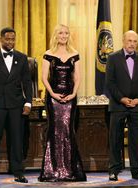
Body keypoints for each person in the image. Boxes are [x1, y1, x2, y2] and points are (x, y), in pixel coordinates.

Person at [0, 27, 32, 183]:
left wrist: (28, 102)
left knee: (17, 140)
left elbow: (27, 82)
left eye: (13, 39)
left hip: (16, 105)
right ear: (1, 39)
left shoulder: (22, 58)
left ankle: (18, 172)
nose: (10, 42)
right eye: (7, 39)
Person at [38, 24, 86, 182]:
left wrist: (73, 94)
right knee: (55, 131)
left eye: (66, 33)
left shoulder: (75, 54)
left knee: (67, 130)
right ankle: (52, 171)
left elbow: (77, 77)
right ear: (56, 35)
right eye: (61, 33)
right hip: (53, 98)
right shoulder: (48, 54)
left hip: (70, 98)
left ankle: (69, 170)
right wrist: (53, 94)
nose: (64, 36)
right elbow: (44, 77)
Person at [105, 30, 138, 181]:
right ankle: (114, 169)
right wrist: (122, 98)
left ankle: (136, 170)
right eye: (129, 41)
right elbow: (109, 83)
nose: (132, 44)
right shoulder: (113, 58)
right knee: (115, 138)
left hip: (137, 105)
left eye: (135, 41)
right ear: (123, 41)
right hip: (118, 105)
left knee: (136, 139)